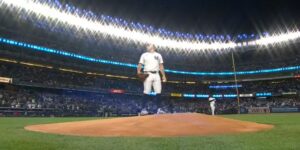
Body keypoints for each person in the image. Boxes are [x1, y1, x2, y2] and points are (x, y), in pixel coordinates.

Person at [137, 44, 167, 114]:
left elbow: (161, 66)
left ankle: (159, 109)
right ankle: (143, 109)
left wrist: (163, 76)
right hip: (147, 74)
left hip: (156, 74)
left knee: (158, 92)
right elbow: (140, 64)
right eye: (147, 45)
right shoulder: (144, 55)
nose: (147, 46)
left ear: (153, 47)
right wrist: (138, 72)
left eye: (148, 45)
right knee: (146, 91)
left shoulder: (158, 55)